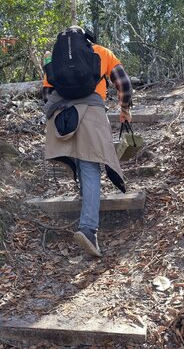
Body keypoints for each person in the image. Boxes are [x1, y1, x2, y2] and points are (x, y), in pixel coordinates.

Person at [42, 26, 133, 257]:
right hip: (92, 112)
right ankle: (89, 228)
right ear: (86, 40)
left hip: (63, 116)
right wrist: (124, 110)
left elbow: (46, 92)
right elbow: (123, 83)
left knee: (82, 161)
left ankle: (86, 208)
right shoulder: (101, 52)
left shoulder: (55, 59)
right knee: (91, 166)